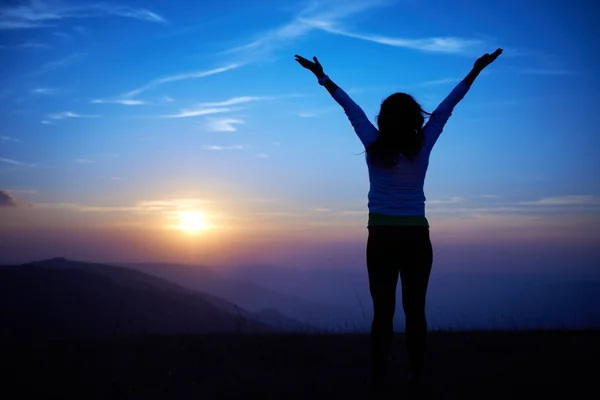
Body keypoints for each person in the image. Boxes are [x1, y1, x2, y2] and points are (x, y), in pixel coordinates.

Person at [295, 48, 503, 388]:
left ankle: (379, 377)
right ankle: (416, 375)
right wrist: (474, 70)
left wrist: (322, 77)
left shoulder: (373, 143)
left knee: (382, 312)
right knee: (415, 310)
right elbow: (447, 108)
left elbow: (351, 109)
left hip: (380, 237)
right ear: (414, 119)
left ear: (384, 118)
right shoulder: (423, 144)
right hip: (417, 238)